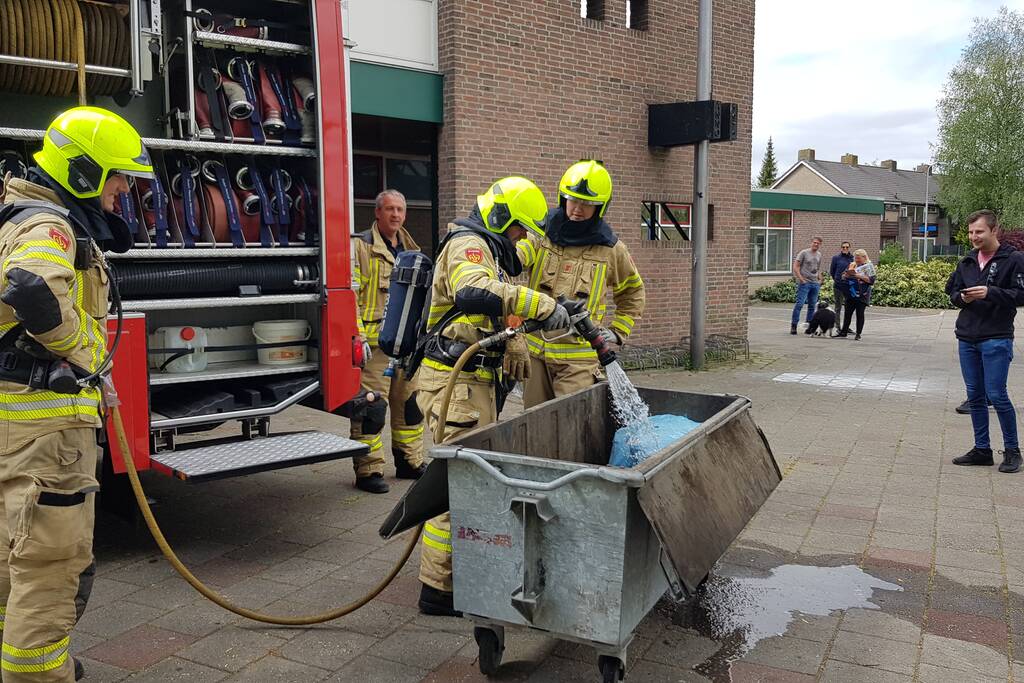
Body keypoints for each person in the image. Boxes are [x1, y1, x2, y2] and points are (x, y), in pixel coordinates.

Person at [0, 107, 154, 682]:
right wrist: (88, 362)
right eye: (118, 177)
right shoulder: (51, 225)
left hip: (14, 421)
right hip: (43, 431)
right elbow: (32, 289)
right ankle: (37, 672)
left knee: (10, 559)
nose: (122, 191)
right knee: (49, 563)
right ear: (84, 172)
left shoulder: (13, 211)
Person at [416, 177, 567, 617]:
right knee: (457, 486)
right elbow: (473, 292)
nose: (520, 238)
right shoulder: (469, 247)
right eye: (519, 229)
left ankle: (447, 578)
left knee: (464, 482)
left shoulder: (490, 246)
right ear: (501, 218)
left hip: (466, 385)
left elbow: (516, 263)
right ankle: (439, 589)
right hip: (454, 389)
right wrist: (540, 305)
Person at [517, 160, 645, 407]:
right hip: (536, 355)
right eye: (572, 200)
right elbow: (517, 258)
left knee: (570, 426)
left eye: (587, 204)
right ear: (562, 198)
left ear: (600, 207)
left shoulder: (611, 248)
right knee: (534, 424)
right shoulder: (541, 233)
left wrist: (618, 332)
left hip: (578, 361)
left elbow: (632, 292)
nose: (577, 209)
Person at [349, 190, 425, 494]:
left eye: (400, 210)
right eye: (390, 209)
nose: (396, 215)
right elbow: (350, 294)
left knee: (409, 406)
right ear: (377, 213)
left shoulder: (412, 249)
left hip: (406, 345)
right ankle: (368, 471)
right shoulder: (360, 247)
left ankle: (409, 462)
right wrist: (356, 335)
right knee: (371, 409)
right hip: (375, 346)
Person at [945, 210, 1024, 473]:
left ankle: (1012, 451)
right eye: (970, 232)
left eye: (979, 232)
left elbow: (1021, 295)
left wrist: (991, 292)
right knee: (975, 397)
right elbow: (952, 292)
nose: (973, 237)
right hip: (967, 338)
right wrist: (962, 298)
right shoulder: (966, 261)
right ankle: (982, 449)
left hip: (996, 338)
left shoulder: (1013, 260)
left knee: (997, 395)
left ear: (994, 230)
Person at [834, 249, 876, 340]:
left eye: (858, 258)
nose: (856, 260)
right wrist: (846, 275)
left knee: (860, 314)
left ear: (864, 257)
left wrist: (858, 276)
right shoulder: (852, 265)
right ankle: (844, 332)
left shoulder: (868, 266)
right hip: (850, 293)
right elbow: (844, 275)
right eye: (855, 258)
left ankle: (858, 334)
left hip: (862, 294)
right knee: (847, 313)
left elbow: (871, 280)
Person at [790, 236, 823, 334]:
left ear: (820, 245)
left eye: (818, 243)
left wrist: (820, 279)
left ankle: (809, 327)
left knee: (812, 305)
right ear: (811, 243)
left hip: (815, 283)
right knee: (799, 304)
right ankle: (794, 325)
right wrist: (801, 279)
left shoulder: (819, 255)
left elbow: (818, 268)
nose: (816, 244)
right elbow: (796, 266)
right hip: (805, 282)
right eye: (814, 242)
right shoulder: (803, 253)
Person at [829, 241, 853, 333]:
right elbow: (832, 271)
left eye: (847, 247)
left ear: (849, 248)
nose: (845, 249)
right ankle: (837, 327)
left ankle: (846, 327)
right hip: (838, 286)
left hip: (849, 286)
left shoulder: (852, 258)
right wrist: (837, 279)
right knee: (838, 307)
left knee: (849, 307)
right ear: (841, 248)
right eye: (843, 247)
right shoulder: (836, 258)